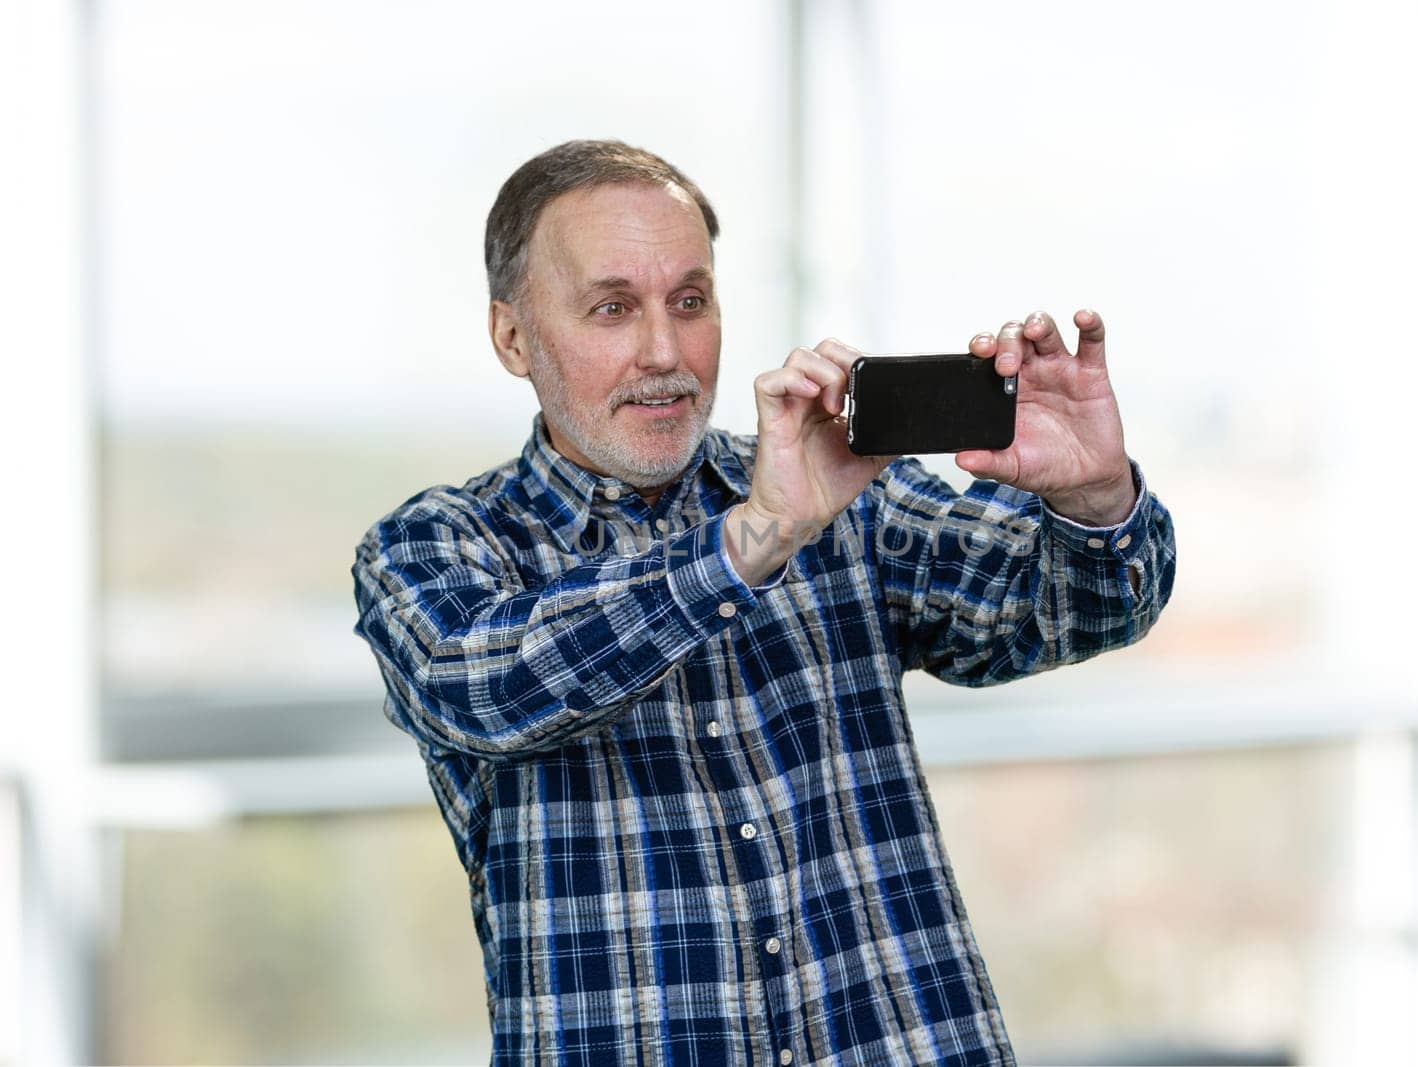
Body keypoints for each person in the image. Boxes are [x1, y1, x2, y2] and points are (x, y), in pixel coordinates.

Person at [351, 139, 1176, 1067]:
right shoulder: (431, 545)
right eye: (612, 308)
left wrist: (1093, 497)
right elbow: (490, 685)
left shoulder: (837, 489)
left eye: (690, 303)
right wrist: (751, 543)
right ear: (513, 337)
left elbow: (1080, 609)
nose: (664, 353)